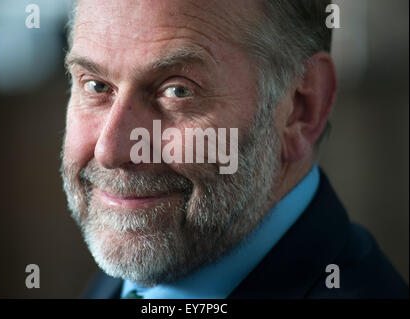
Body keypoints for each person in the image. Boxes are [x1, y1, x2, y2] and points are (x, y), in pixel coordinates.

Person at [60, 0, 408, 298]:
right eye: (96, 85)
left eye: (178, 91)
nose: (111, 150)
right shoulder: (136, 271)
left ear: (302, 108)